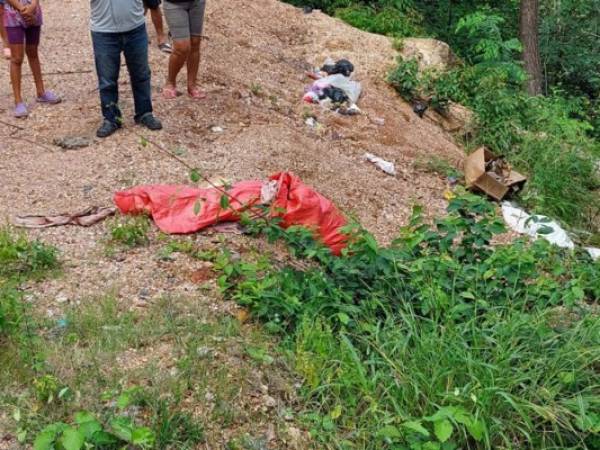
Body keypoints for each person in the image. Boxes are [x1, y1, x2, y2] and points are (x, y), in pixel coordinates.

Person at [90, 0, 162, 138]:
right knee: (107, 80)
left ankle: (144, 112)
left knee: (141, 74)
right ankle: (111, 119)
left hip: (135, 27)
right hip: (103, 30)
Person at [4, 0, 61, 118]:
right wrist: (22, 9)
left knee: (33, 52)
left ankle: (41, 92)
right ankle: (18, 101)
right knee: (17, 58)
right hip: (12, 14)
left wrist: (34, 5)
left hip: (34, 12)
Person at [161, 0, 206, 99]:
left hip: (197, 3)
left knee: (195, 42)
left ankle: (192, 85)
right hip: (173, 3)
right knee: (182, 47)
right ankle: (170, 81)